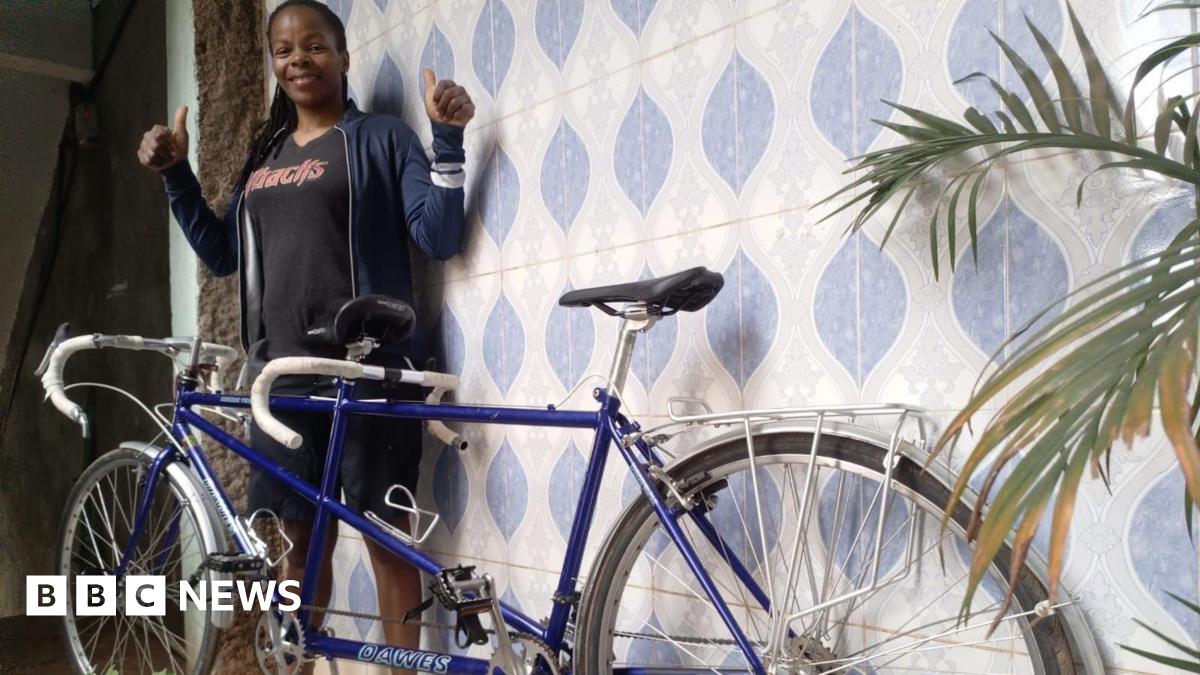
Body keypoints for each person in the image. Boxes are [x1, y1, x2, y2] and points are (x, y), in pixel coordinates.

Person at [136, 0, 473, 669]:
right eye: (284, 51)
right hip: (281, 380)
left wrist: (447, 141)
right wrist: (176, 176)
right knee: (297, 547)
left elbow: (438, 235)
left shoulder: (380, 138)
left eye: (314, 45)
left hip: (366, 373)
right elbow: (223, 254)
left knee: (387, 541)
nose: (298, 60)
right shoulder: (265, 156)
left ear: (343, 56)